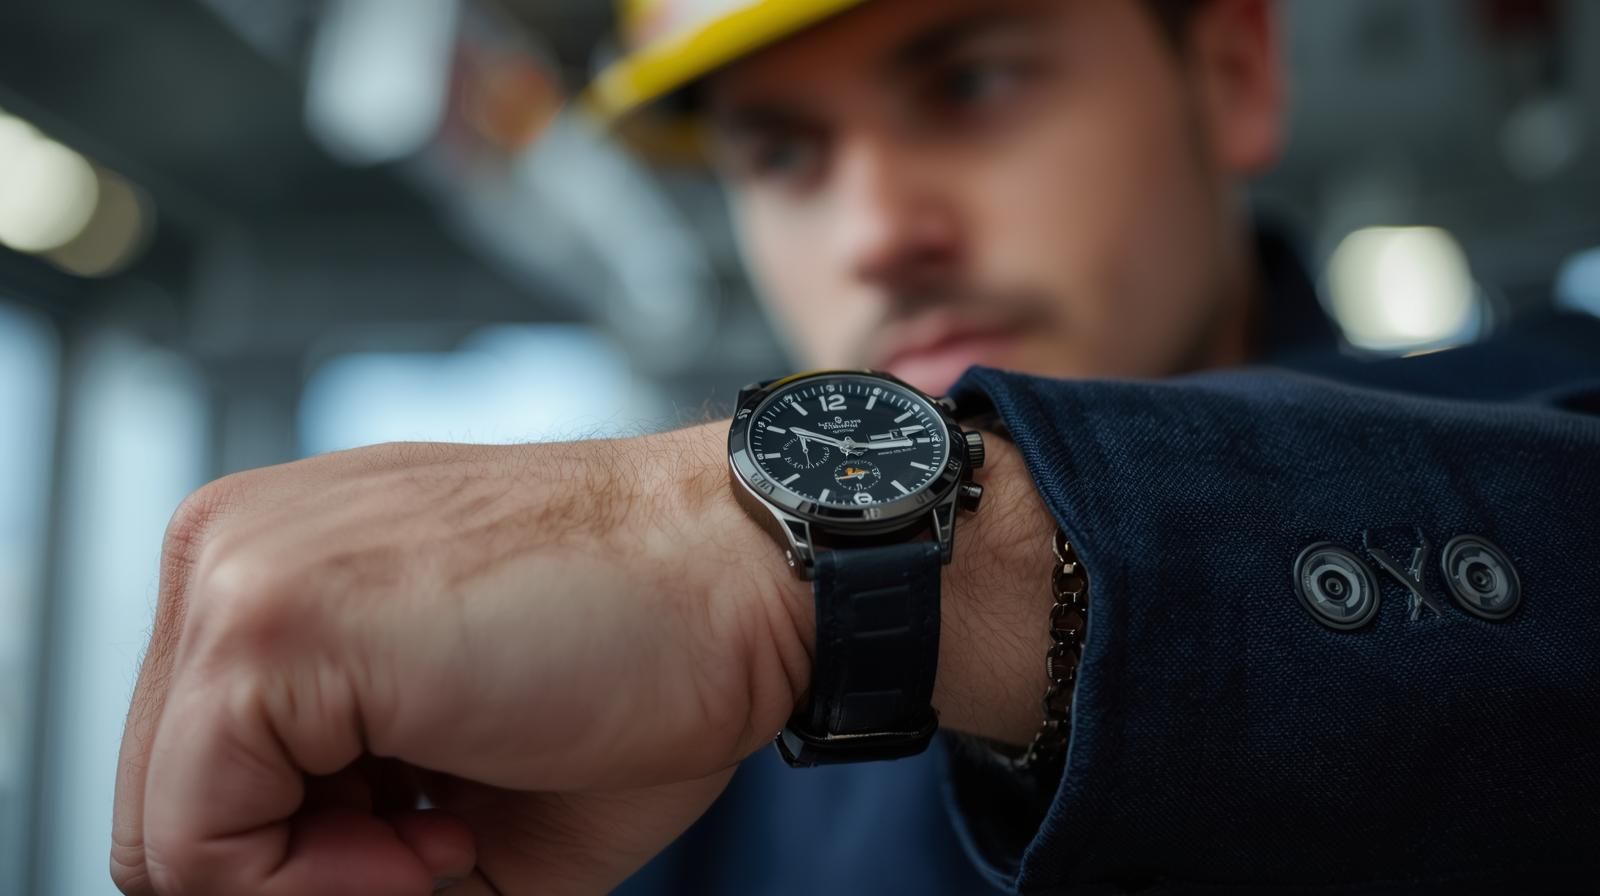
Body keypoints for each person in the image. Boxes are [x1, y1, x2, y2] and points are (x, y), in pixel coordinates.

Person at [109, 0, 1600, 893]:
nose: (880, 233)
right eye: (780, 152)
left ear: (1230, 71)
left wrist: (837, 569)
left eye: (972, 78)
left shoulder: (1536, 433)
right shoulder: (645, 769)